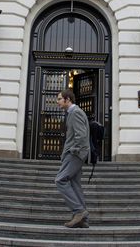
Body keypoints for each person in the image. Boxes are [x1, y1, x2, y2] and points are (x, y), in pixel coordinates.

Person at [55, 88, 91, 228]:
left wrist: (73, 151)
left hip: (75, 154)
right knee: (75, 184)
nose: (57, 102)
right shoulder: (72, 113)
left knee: (60, 180)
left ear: (67, 99)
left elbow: (81, 136)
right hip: (76, 153)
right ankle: (83, 219)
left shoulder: (75, 113)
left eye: (59, 99)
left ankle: (79, 211)